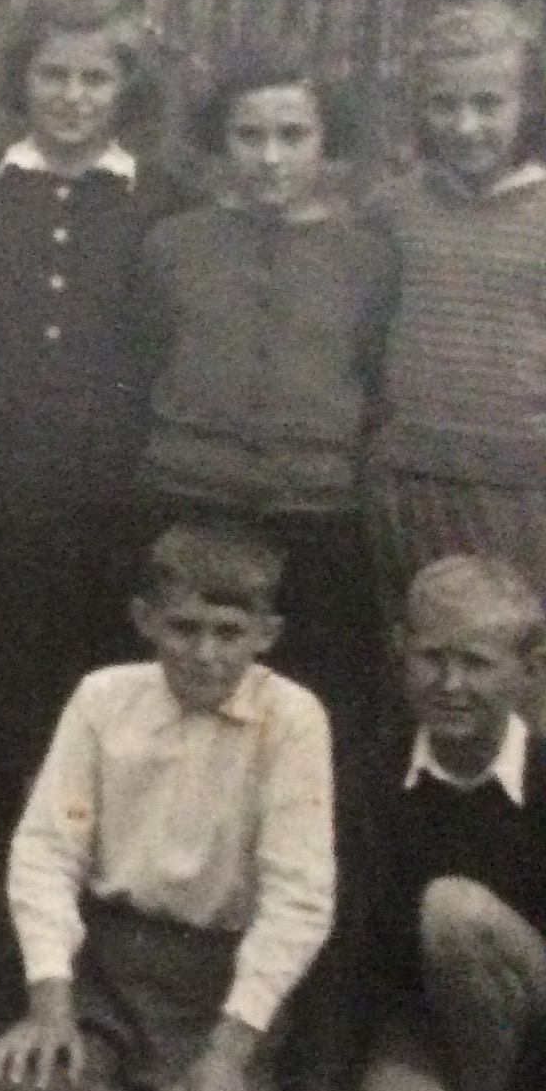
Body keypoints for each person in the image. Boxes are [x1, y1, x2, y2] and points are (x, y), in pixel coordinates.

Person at [0, 520, 336, 1091]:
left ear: (267, 634)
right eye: (183, 628)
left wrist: (229, 1054)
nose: (205, 654)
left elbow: (299, 900)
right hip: (110, 969)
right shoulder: (103, 699)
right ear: (145, 620)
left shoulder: (294, 719)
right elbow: (47, 851)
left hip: (220, 983)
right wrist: (51, 1006)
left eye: (229, 633)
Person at [0, 0, 188, 833]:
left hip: (105, 498)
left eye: (95, 79)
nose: (73, 97)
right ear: (21, 79)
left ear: (127, 88)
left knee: (89, 691)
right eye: (53, 75)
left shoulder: (164, 201)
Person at [137, 45, 396, 773]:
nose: (271, 158)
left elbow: (373, 378)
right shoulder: (173, 245)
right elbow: (147, 359)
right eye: (249, 136)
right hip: (190, 503)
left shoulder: (368, 257)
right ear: (220, 141)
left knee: (307, 711)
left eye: (293, 135)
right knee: (182, 706)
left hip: (316, 516)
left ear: (325, 140)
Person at [290, 557, 546, 1091]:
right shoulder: (370, 780)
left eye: (477, 663)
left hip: (537, 1017)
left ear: (529, 670)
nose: (451, 684)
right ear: (402, 652)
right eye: (433, 658)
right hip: (425, 1027)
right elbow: (342, 953)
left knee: (455, 912)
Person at [366, 0, 546, 624]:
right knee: (417, 644)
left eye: (488, 103)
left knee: (514, 650)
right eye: (445, 104)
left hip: (524, 490)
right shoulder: (390, 211)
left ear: (528, 103)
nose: (466, 126)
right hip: (409, 484)